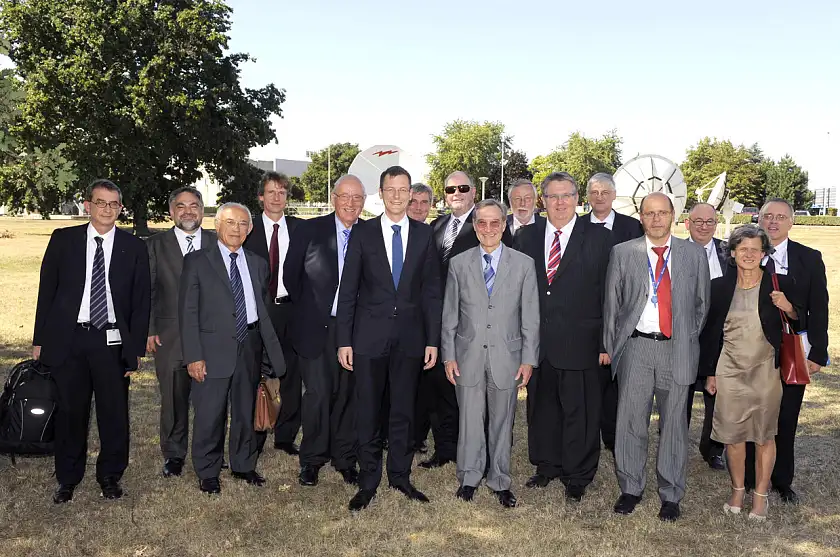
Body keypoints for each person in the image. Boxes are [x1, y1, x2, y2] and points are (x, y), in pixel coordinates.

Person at [33, 179, 150, 504]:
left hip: (112, 341)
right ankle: (67, 478)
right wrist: (40, 339)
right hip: (69, 339)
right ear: (88, 205)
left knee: (114, 414)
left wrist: (135, 349)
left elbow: (141, 302)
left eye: (114, 204)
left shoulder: (133, 247)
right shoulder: (64, 240)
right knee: (71, 412)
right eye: (101, 202)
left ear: (120, 208)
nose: (107, 209)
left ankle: (110, 475)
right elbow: (47, 291)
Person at [337, 165, 442, 511]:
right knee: (367, 411)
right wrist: (344, 340)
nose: (397, 195)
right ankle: (368, 480)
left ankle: (400, 475)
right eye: (391, 189)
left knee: (403, 411)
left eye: (403, 189)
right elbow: (348, 290)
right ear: (380, 193)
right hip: (367, 339)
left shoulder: (425, 235)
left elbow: (430, 292)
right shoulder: (363, 233)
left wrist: (432, 339)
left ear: (411, 193)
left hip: (411, 340)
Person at [603, 192, 710, 522]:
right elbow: (612, 305)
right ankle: (631, 487)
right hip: (635, 348)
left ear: (674, 216)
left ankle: (671, 493)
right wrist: (611, 347)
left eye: (662, 213)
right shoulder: (623, 253)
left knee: (674, 423)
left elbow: (701, 306)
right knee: (631, 421)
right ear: (641, 217)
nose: (657, 219)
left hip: (675, 349)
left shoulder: (693, 255)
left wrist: (684, 338)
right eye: (650, 213)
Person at [513, 172, 612, 501]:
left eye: (566, 196)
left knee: (579, 412)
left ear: (577, 198)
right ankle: (546, 466)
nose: (559, 202)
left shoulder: (599, 238)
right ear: (543, 200)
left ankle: (578, 475)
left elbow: (609, 295)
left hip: (582, 342)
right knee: (542, 409)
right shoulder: (527, 236)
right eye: (553, 196)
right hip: (539, 344)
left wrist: (604, 343)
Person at [179, 202, 286, 494]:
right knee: (210, 413)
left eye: (242, 224)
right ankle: (208, 470)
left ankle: (243, 464)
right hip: (211, 350)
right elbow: (187, 313)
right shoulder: (198, 262)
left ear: (250, 229)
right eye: (230, 223)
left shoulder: (258, 263)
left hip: (249, 346)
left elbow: (261, 308)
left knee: (244, 410)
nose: (236, 229)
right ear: (217, 226)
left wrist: (266, 352)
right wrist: (194, 356)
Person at [442, 199, 540, 508]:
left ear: (504, 225)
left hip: (507, 357)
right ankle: (469, 476)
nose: (488, 229)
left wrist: (528, 358)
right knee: (470, 421)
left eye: (495, 222)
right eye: (481, 223)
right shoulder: (458, 263)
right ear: (474, 226)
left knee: (502, 421)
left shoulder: (523, 264)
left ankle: (499, 479)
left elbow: (531, 316)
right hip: (467, 355)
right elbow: (450, 314)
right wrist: (448, 355)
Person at [700, 225, 801, 521]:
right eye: (743, 249)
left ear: (764, 254)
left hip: (766, 371)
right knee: (732, 436)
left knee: (764, 437)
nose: (749, 254)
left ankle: (760, 496)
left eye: (755, 249)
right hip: (729, 369)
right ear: (732, 253)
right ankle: (737, 490)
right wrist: (711, 373)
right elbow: (711, 335)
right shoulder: (719, 287)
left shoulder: (778, 284)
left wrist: (789, 307)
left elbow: (800, 319)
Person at [423, 171, 513, 470]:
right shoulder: (436, 226)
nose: (456, 193)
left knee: (481, 397)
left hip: (477, 328)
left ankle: (485, 456)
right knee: (440, 388)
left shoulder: (490, 225)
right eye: (450, 189)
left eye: (463, 188)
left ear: (473, 191)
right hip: (442, 322)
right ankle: (446, 447)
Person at [746, 198, 829, 503]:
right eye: (768, 216)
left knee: (787, 415)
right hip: (752, 351)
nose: (773, 222)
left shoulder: (809, 258)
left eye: (781, 217)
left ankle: (782, 479)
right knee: (754, 414)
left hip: (792, 351)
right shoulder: (748, 253)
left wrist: (818, 352)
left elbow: (819, 306)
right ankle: (752, 475)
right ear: (759, 220)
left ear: (791, 222)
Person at [285, 175, 365, 488]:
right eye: (345, 196)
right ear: (334, 198)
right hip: (316, 328)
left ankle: (344, 458)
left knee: (348, 396)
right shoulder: (310, 230)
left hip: (355, 331)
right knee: (317, 394)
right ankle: (312, 460)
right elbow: (292, 276)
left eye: (357, 198)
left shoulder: (369, 234)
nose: (350, 203)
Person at [146, 187, 216, 478]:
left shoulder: (217, 241)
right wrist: (148, 330)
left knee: (210, 398)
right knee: (174, 398)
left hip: (211, 335)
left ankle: (209, 450)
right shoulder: (154, 245)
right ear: (171, 211)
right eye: (181, 206)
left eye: (194, 206)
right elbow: (145, 291)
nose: (188, 211)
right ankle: (174, 454)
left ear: (202, 209)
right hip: (169, 334)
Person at [583, 172, 645, 454]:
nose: (599, 197)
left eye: (605, 192)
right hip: (586, 316)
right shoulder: (577, 226)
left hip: (623, 315)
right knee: (591, 382)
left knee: (618, 382)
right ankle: (590, 433)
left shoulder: (631, 227)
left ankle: (613, 435)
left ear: (614, 195)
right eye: (594, 193)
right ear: (587, 196)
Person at [243, 171, 303, 456]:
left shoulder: (301, 229)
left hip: (291, 311)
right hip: (258, 312)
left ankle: (285, 435)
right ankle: (254, 436)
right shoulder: (247, 230)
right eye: (271, 192)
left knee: (291, 374)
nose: (277, 197)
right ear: (260, 197)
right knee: (256, 374)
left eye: (282, 192)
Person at [684, 202, 728, 471]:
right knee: (681, 395)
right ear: (687, 223)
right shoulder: (673, 251)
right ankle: (674, 442)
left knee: (718, 398)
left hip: (720, 337)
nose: (703, 226)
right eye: (697, 221)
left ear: (716, 223)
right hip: (685, 337)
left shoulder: (729, 253)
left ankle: (713, 449)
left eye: (709, 222)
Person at [407, 181, 435, 452]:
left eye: (424, 203)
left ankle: (417, 435)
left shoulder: (432, 233)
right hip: (395, 322)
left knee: (421, 385)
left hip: (423, 321)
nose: (418, 207)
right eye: (413, 201)